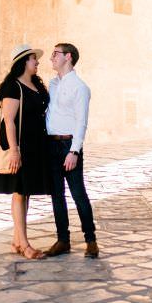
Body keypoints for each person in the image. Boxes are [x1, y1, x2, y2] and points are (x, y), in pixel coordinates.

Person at [0, 43, 51, 259]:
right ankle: (24, 245)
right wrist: (14, 150)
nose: (37, 62)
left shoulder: (36, 85)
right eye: (34, 59)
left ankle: (16, 240)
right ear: (24, 62)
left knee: (26, 191)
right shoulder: (13, 87)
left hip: (34, 145)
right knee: (19, 192)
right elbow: (9, 121)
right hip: (19, 145)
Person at [44, 43, 98, 258]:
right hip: (51, 145)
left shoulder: (80, 87)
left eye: (55, 54)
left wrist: (74, 151)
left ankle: (91, 240)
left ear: (68, 57)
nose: (51, 58)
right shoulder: (52, 84)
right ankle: (62, 240)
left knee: (78, 194)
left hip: (69, 146)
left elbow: (81, 122)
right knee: (56, 195)